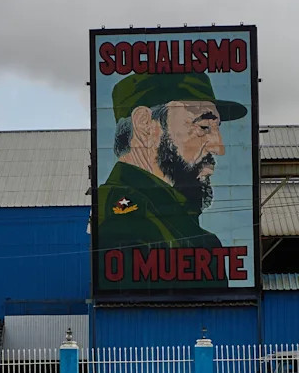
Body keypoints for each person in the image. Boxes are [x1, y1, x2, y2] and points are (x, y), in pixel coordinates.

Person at [94, 71, 248, 288]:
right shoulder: (125, 222)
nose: (219, 147)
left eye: (216, 130)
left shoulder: (182, 226)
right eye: (204, 127)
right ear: (144, 124)